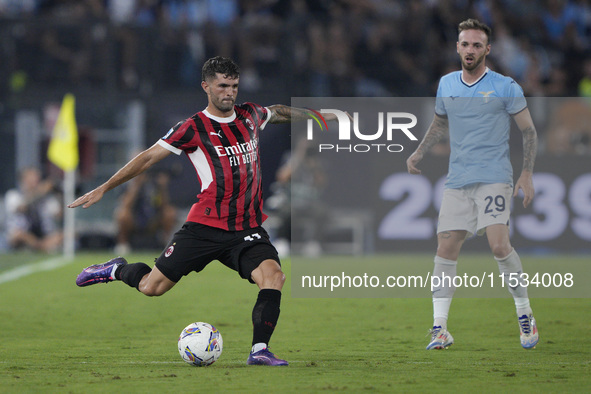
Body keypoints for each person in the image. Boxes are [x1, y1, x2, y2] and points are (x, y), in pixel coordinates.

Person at [69, 56, 343, 366]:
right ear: (206, 86)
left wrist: (324, 116)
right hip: (204, 226)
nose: (230, 92)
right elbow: (147, 158)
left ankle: (259, 350)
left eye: (234, 86)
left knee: (274, 276)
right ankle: (115, 269)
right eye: (223, 86)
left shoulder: (250, 115)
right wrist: (103, 188)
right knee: (151, 287)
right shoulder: (192, 128)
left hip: (245, 229)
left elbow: (278, 111)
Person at [406, 19, 539, 350]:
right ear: (457, 47)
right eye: (465, 44)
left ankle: (525, 313)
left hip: (494, 177)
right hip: (457, 180)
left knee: (498, 245)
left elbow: (529, 131)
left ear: (487, 50)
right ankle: (439, 328)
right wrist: (419, 152)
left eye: (477, 45)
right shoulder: (447, 84)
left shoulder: (505, 86)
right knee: (445, 249)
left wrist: (526, 173)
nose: (470, 50)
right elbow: (439, 122)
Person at [114, 169, 178, 254]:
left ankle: (166, 244)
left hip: (154, 218)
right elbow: (126, 205)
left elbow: (165, 205)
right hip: (135, 218)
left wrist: (163, 187)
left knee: (170, 212)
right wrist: (136, 185)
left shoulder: (156, 183)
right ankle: (123, 245)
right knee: (122, 214)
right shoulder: (128, 184)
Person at [5, 167, 63, 253]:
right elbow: (22, 207)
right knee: (18, 235)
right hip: (23, 235)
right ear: (23, 180)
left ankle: (42, 246)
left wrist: (59, 194)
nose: (35, 183)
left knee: (63, 235)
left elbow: (59, 215)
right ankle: (40, 246)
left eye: (36, 180)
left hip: (45, 235)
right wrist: (40, 192)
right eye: (31, 180)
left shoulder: (47, 199)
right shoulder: (14, 195)